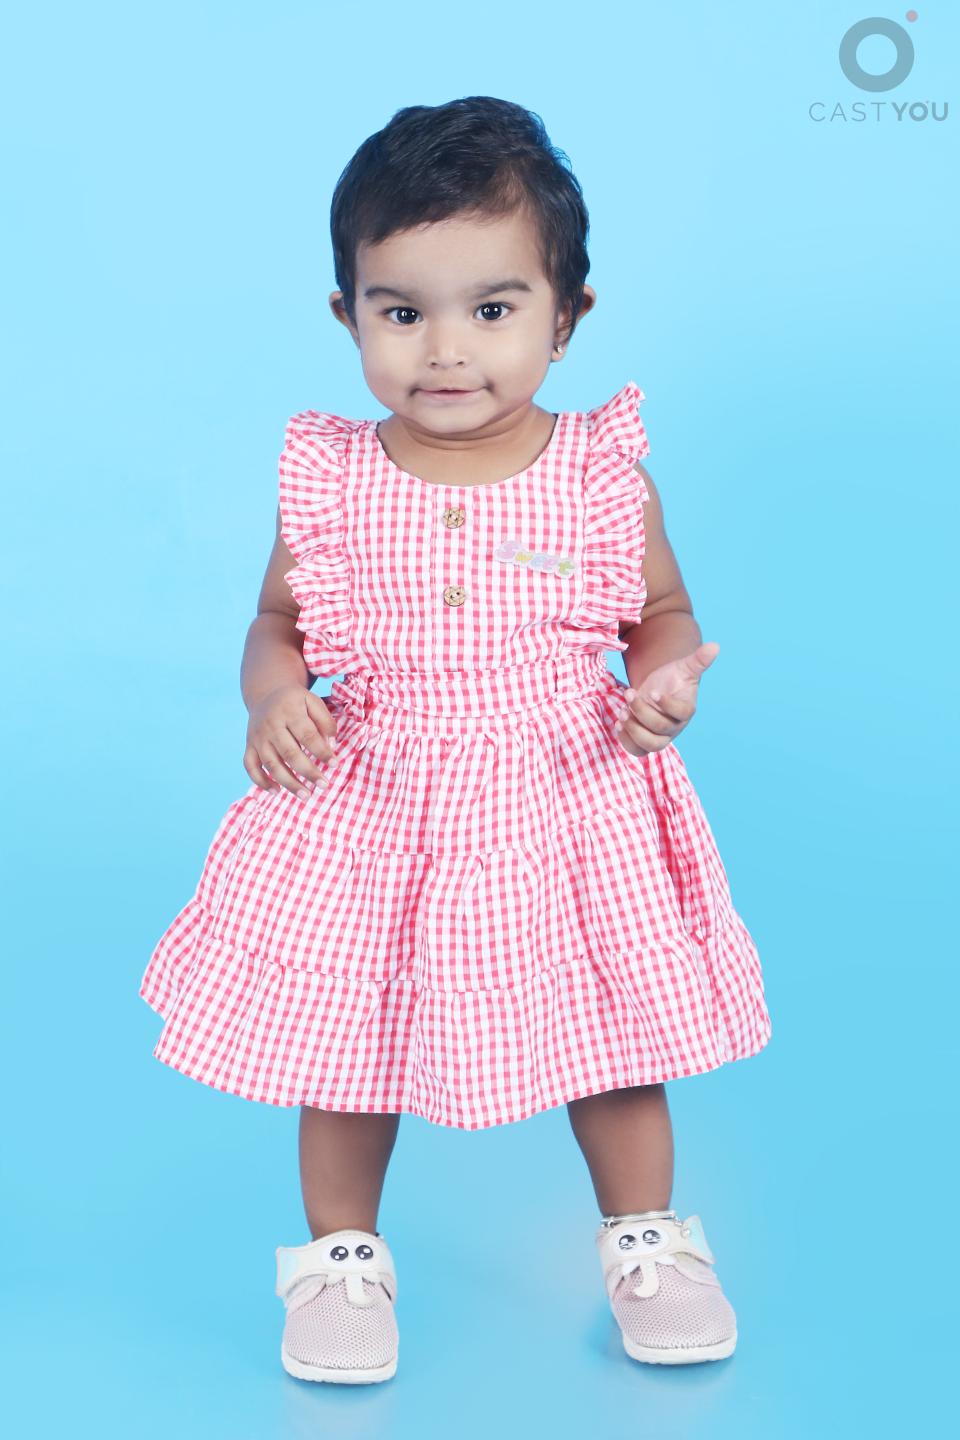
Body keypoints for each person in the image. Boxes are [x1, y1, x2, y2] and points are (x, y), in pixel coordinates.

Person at [139, 94, 772, 1385]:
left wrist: (663, 681)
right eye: (401, 312)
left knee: (613, 1030)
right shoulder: (331, 478)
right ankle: (341, 1259)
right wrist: (272, 698)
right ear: (347, 315)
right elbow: (277, 622)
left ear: (566, 316)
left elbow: (659, 609)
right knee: (346, 1036)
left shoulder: (600, 472)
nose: (445, 350)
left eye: (492, 309)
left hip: (567, 795)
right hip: (374, 801)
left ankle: (646, 1239)